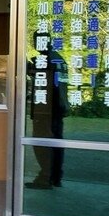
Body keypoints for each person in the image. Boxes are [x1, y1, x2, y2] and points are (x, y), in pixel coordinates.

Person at [26, 32, 68, 188]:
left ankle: (45, 178)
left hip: (46, 110)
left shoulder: (45, 60)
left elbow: (40, 76)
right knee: (56, 144)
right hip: (59, 108)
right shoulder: (59, 58)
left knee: (42, 144)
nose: (35, 45)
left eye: (36, 41)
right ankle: (56, 177)